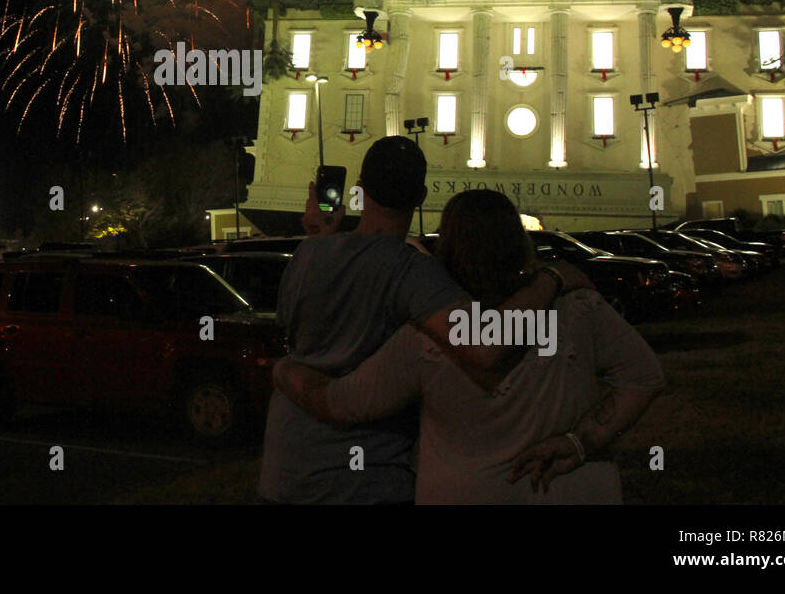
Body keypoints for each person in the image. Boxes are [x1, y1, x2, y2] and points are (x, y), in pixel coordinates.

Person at [273, 189, 666, 503]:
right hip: (576, 490)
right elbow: (644, 377)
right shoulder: (579, 310)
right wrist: (581, 443)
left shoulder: (430, 338)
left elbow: (344, 403)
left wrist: (286, 371)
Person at [258, 137, 590, 504]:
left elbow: (301, 335)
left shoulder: (307, 253)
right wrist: (552, 279)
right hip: (362, 480)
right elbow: (485, 346)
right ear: (420, 197)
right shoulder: (411, 273)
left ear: (359, 190)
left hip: (284, 466)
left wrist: (323, 234)